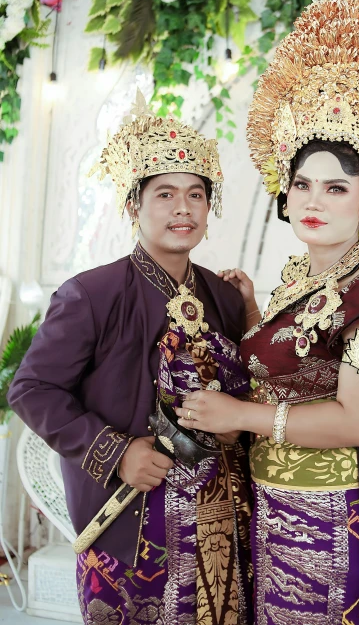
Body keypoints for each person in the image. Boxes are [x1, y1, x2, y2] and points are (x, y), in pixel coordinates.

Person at [173, 0, 359, 624]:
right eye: (302, 185)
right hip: (274, 499)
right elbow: (308, 361)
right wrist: (253, 307)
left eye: (335, 188)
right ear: (284, 193)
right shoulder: (307, 271)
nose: (314, 202)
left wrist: (240, 415)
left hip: (333, 512)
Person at [8, 93, 254, 625]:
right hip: (129, 521)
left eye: (196, 194)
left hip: (217, 520)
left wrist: (251, 317)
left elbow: (250, 394)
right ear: (132, 206)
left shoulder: (226, 297)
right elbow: (31, 390)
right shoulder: (91, 294)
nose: (183, 209)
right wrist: (116, 452)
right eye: (164, 194)